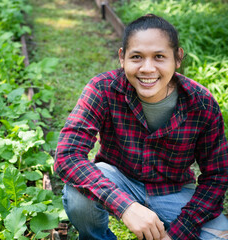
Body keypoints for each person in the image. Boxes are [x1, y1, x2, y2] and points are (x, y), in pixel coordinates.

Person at [54, 14, 228, 240]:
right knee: (78, 192)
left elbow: (216, 176)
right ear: (122, 58)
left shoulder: (201, 103)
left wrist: (176, 234)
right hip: (118, 179)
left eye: (159, 57)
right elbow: (67, 155)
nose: (147, 68)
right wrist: (125, 206)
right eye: (136, 57)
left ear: (177, 58)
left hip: (173, 191)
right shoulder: (103, 89)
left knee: (220, 236)